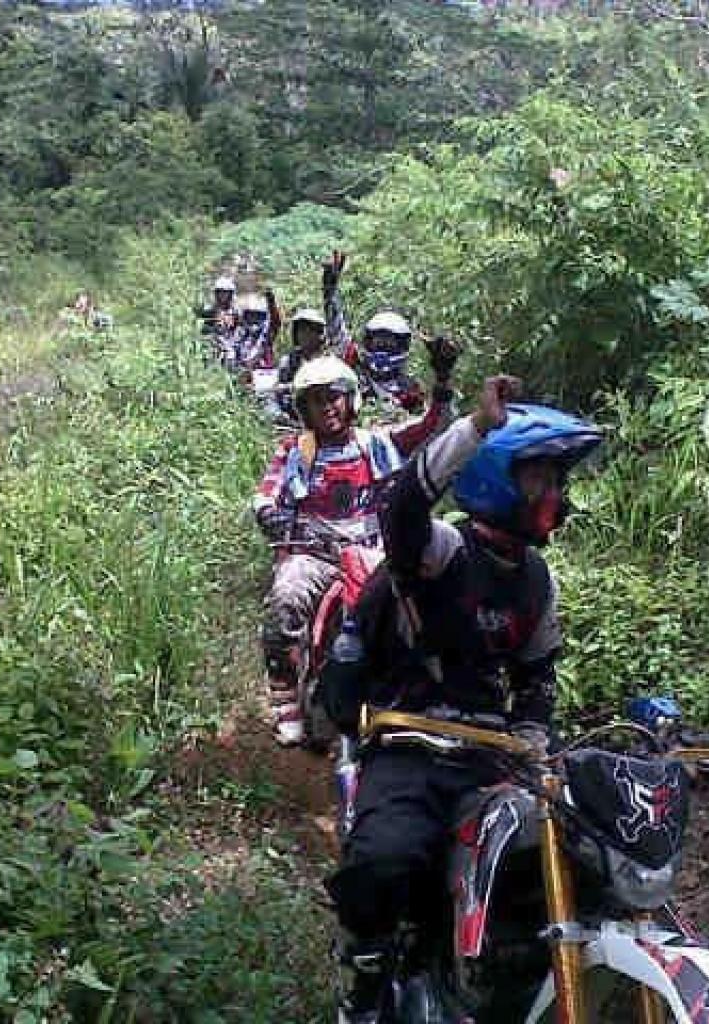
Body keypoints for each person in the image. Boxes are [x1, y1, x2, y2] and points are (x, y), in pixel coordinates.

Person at [322, 375, 603, 1024]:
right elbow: (401, 511)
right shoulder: (443, 551)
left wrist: (533, 739)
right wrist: (473, 428)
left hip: (490, 760)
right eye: (540, 479)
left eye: (556, 482)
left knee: (569, 855)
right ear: (497, 477)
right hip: (411, 743)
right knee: (384, 860)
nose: (553, 495)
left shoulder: (537, 580)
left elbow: (537, 678)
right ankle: (364, 986)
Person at [251, 344, 458, 746]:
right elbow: (266, 494)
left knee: (425, 608)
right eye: (315, 401)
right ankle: (285, 697)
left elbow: (435, 428)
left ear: (351, 399)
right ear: (303, 410)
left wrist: (443, 381)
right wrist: (268, 514)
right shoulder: (295, 451)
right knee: (285, 599)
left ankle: (433, 695)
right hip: (314, 554)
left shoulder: (378, 443)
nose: (326, 407)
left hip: (374, 554)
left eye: (333, 397)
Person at [322, 250, 425, 414]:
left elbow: (424, 424)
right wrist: (329, 291)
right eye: (378, 342)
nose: (382, 348)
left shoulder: (410, 389)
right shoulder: (355, 369)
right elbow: (336, 331)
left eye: (388, 344)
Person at [235, 290, 281, 372]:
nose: (254, 320)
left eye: (258, 317)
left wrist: (271, 302)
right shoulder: (239, 337)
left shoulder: (266, 335)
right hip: (244, 374)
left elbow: (275, 322)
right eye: (251, 316)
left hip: (265, 374)